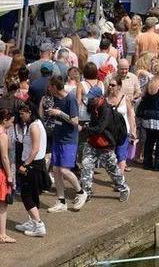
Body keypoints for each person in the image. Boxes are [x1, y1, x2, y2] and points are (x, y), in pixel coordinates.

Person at [78, 88, 130, 204]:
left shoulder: (106, 110)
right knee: (86, 164)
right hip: (93, 142)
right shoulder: (92, 106)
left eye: (92, 98)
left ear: (100, 98)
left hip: (105, 143)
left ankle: (123, 188)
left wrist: (84, 129)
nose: (90, 100)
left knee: (112, 168)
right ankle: (86, 192)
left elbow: (100, 128)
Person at [44, 76, 86, 213]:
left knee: (64, 170)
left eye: (50, 86)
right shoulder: (55, 98)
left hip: (68, 140)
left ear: (55, 87)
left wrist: (60, 113)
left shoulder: (70, 99)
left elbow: (75, 121)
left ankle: (80, 192)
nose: (48, 88)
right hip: (58, 138)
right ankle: (61, 201)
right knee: (56, 170)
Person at [15, 103, 48, 237]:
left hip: (33, 165)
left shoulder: (34, 126)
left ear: (29, 112)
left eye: (22, 113)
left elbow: (35, 149)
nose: (21, 116)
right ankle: (33, 221)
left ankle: (38, 224)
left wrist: (25, 165)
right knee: (33, 194)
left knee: (26, 194)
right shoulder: (37, 123)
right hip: (35, 164)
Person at [106, 78, 136, 174]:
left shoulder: (124, 98)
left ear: (119, 86)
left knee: (121, 155)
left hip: (123, 131)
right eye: (109, 85)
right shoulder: (106, 99)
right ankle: (116, 176)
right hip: (110, 132)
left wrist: (133, 130)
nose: (110, 87)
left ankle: (120, 179)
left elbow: (131, 115)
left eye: (113, 85)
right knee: (111, 155)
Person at [0, 109, 14, 243]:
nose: (12, 124)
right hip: (0, 172)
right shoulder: (2, 135)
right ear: (4, 120)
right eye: (11, 121)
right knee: (3, 204)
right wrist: (9, 175)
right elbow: (4, 157)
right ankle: (2, 235)